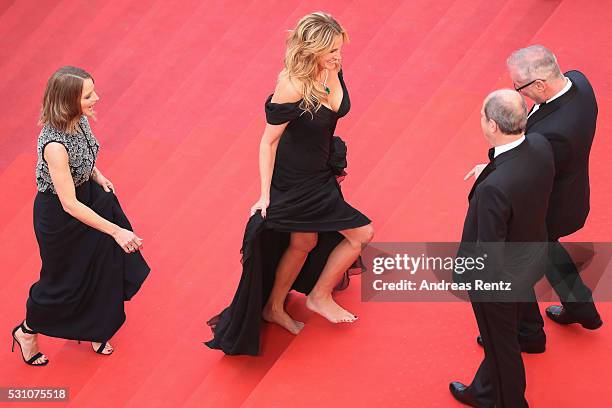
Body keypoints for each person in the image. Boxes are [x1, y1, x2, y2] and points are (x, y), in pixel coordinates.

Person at [205, 12, 373, 356]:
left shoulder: (332, 68)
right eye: (331, 51)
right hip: (295, 181)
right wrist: (265, 194)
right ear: (311, 51)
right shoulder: (292, 86)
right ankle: (319, 296)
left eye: (340, 49)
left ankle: (274, 307)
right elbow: (268, 142)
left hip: (320, 172)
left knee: (304, 241)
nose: (338, 56)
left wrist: (332, 68)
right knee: (362, 233)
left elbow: (334, 108)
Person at [11, 66, 150, 366]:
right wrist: (116, 231)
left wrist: (98, 175)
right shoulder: (54, 146)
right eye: (88, 95)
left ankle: (97, 328)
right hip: (62, 218)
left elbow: (86, 155)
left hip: (89, 197)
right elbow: (69, 205)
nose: (96, 98)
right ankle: (27, 331)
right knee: (63, 281)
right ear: (67, 101)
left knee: (103, 267)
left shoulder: (80, 120)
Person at [467, 45, 602, 353]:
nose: (517, 92)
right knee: (548, 250)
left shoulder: (556, 134)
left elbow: (528, 169)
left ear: (540, 85)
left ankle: (528, 332)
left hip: (547, 206)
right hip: (570, 194)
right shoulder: (578, 81)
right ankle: (581, 307)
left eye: (519, 87)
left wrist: (492, 169)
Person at [450, 90, 554, 407]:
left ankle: (508, 401)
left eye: (482, 115)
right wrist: (492, 170)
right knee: (514, 321)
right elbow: (523, 180)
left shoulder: (495, 189)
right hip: (531, 253)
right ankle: (532, 335)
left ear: (492, 125)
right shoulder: (539, 145)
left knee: (500, 345)